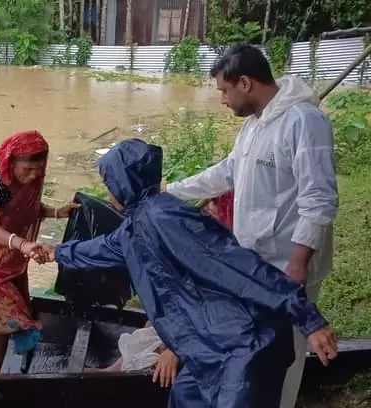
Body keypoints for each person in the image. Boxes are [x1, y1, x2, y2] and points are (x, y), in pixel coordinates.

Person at [37, 138, 337, 408]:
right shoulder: (132, 230)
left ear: (122, 183)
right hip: (203, 347)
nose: (108, 191)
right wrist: (54, 252)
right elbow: (98, 249)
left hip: (243, 343)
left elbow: (241, 268)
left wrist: (307, 318)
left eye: (109, 183)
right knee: (184, 396)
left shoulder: (169, 218)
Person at [164, 44, 338, 408]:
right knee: (261, 348)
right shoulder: (254, 126)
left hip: (289, 263)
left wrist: (297, 264)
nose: (222, 101)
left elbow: (319, 199)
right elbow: (227, 172)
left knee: (287, 351)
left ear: (244, 83)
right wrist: (171, 192)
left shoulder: (304, 121)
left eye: (224, 91)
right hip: (257, 259)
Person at [0, 130, 79, 373]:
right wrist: (24, 245)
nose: (34, 175)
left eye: (39, 169)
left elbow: (28, 209)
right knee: (13, 320)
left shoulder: (33, 180)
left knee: (1, 326)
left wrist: (57, 212)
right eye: (27, 170)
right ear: (11, 163)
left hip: (11, 258)